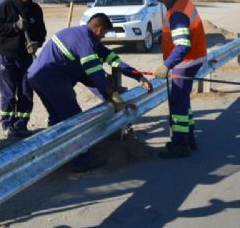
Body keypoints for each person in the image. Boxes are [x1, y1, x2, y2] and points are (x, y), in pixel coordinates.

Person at [27, 13, 152, 172]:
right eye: (105, 33)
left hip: (37, 77)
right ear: (99, 29)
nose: (104, 37)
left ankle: (55, 155)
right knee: (74, 117)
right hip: (51, 79)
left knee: (57, 117)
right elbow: (94, 73)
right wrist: (111, 93)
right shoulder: (85, 42)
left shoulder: (84, 36)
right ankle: (81, 160)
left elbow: (113, 61)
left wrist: (138, 76)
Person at [150, 0, 207, 158]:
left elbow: (182, 45)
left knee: (177, 104)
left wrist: (167, 65)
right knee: (182, 100)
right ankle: (189, 137)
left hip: (186, 63)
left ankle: (180, 144)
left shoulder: (178, 14)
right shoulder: (182, 3)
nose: (160, 1)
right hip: (193, 60)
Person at [0, 0, 46, 139]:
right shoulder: (7, 6)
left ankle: (21, 124)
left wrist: (36, 44)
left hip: (26, 58)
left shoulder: (36, 9)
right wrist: (15, 26)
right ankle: (7, 125)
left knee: (26, 92)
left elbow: (41, 32)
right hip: (7, 56)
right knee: (8, 93)